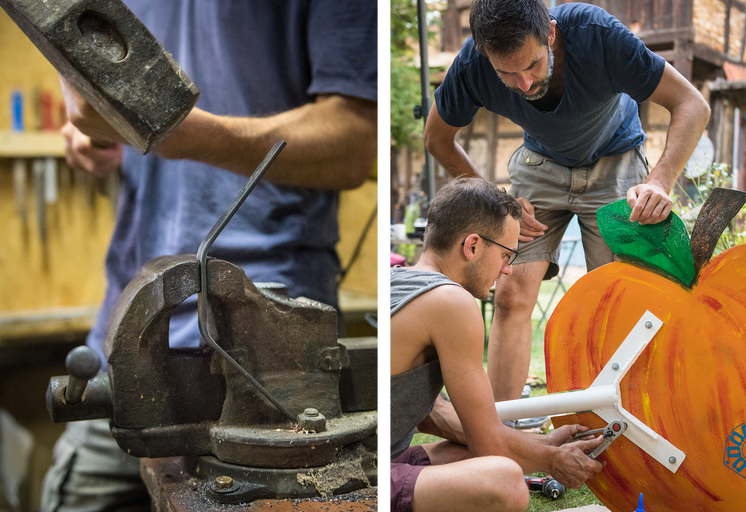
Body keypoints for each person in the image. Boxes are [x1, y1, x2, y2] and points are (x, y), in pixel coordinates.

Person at [41, 2, 378, 511]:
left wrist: (183, 134)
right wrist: (99, 138)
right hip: (129, 346)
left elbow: (352, 141)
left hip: (273, 371)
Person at [423, 0, 710, 401]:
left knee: (617, 302)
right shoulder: (472, 63)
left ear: (551, 34)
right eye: (507, 74)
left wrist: (659, 182)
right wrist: (496, 205)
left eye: (533, 65)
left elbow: (692, 104)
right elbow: (437, 138)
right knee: (510, 295)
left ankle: (621, 429)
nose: (523, 84)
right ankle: (501, 436)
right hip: (540, 164)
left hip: (616, 160)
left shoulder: (597, 35)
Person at [389, 178, 605, 512]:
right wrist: (552, 459)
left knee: (480, 457)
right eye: (505, 254)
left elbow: (437, 416)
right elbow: (488, 441)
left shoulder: (400, 280)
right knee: (503, 479)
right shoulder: (450, 301)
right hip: (361, 477)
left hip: (376, 459)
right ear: (472, 246)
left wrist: (542, 442)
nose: (507, 269)